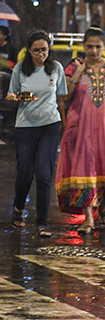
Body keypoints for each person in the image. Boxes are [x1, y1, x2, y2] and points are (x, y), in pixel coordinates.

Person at [55, 27, 105, 234]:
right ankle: (89, 219)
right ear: (83, 46)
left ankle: (103, 204)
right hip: (82, 128)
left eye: (97, 46)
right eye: (89, 46)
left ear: (103, 46)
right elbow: (65, 95)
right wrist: (79, 72)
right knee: (85, 168)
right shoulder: (74, 67)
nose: (93, 51)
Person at [8, 30, 67, 237]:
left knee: (44, 173)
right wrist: (19, 97)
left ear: (49, 50)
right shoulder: (20, 69)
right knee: (25, 171)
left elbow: (61, 99)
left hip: (50, 125)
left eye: (44, 50)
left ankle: (42, 223)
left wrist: (64, 124)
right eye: (36, 50)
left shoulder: (56, 68)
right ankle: (18, 207)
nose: (41, 54)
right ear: (29, 50)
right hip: (25, 126)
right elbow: (11, 95)